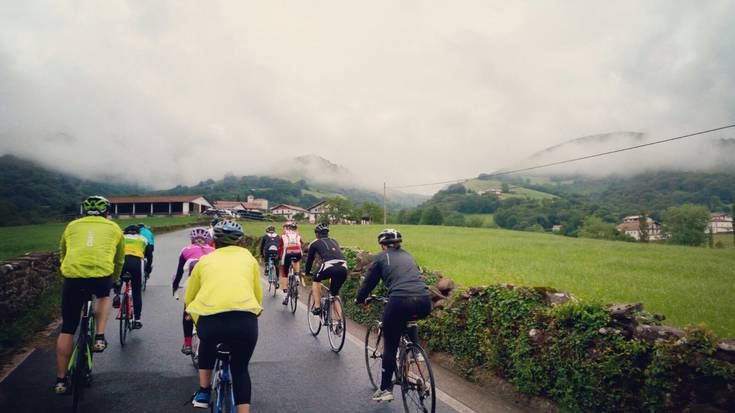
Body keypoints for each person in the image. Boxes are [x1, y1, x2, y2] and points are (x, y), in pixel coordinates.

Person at [185, 220, 262, 413]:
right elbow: (257, 293)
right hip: (245, 321)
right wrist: (256, 311)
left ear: (214, 242)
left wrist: (191, 314)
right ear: (240, 242)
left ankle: (203, 392)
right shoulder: (249, 259)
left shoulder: (205, 261)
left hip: (211, 319)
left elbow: (190, 296)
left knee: (207, 346)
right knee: (241, 369)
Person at [55, 195, 125, 395]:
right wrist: (115, 279)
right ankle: (100, 337)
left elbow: (63, 251)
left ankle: (60, 381)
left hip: (73, 276)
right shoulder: (114, 228)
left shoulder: (72, 226)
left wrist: (66, 269)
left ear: (84, 211)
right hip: (101, 274)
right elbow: (119, 258)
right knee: (104, 296)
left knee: (67, 328)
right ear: (107, 212)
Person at [355, 229, 431, 402]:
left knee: (390, 345)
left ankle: (385, 390)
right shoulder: (408, 255)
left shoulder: (381, 258)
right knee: (409, 320)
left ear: (382, 245)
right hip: (424, 300)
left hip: (400, 300)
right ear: (399, 243)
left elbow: (369, 283)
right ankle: (415, 352)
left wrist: (359, 299)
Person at [172, 227, 215, 355]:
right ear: (207, 240)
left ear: (192, 240)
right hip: (210, 284)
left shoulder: (186, 250)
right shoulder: (213, 250)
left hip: (192, 283)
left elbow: (179, 272)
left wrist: (175, 287)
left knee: (188, 311)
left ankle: (188, 344)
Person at [304, 223, 348, 317]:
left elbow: (309, 260)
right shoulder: (334, 241)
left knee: (316, 279)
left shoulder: (315, 243)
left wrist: (307, 272)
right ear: (327, 233)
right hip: (343, 266)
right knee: (335, 293)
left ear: (316, 234)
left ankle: (317, 307)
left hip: (329, 265)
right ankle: (339, 322)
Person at [112, 224, 149, 329]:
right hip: (136, 262)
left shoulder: (121, 238)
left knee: (117, 280)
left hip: (122, 261)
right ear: (138, 232)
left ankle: (117, 295)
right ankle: (137, 319)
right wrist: (147, 269)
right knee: (137, 291)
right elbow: (149, 256)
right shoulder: (143, 239)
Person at [277, 220, 303, 305]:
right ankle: (296, 276)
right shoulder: (298, 234)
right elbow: (301, 243)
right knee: (296, 261)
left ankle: (285, 292)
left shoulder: (283, 235)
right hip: (298, 252)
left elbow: (280, 248)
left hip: (287, 254)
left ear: (287, 227)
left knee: (284, 272)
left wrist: (279, 256)